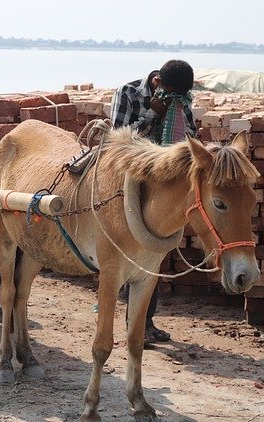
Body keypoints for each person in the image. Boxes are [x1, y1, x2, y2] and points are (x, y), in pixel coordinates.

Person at [110, 59, 197, 347]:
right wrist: (152, 115)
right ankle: (135, 325)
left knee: (155, 252)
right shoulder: (129, 93)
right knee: (135, 253)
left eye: (180, 97)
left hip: (163, 180)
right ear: (157, 82)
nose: (176, 101)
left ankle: (146, 323)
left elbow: (191, 136)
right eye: (170, 95)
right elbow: (118, 140)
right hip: (130, 179)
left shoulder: (181, 98)